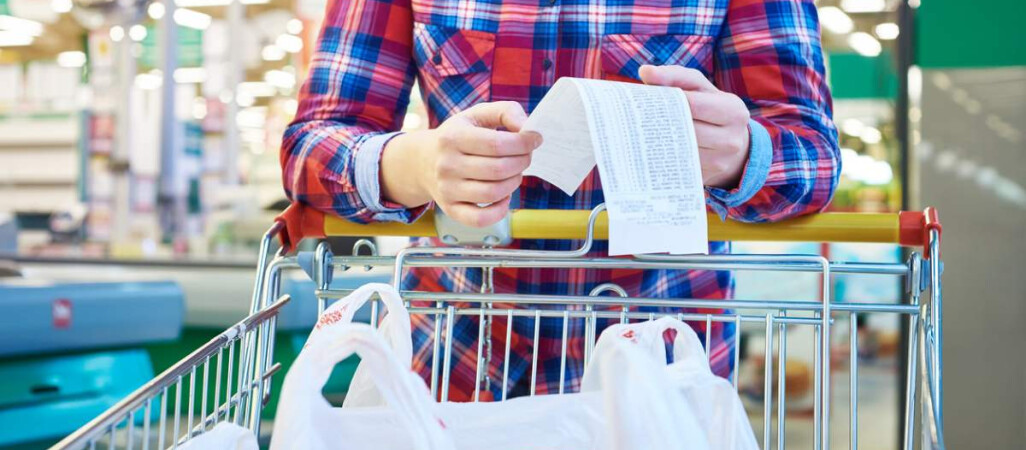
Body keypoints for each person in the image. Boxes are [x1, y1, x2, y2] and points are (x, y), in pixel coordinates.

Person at [282, 0, 839, 400]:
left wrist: (743, 153)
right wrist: (416, 164)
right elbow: (310, 145)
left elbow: (814, 155)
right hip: (456, 358)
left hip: (657, 367)